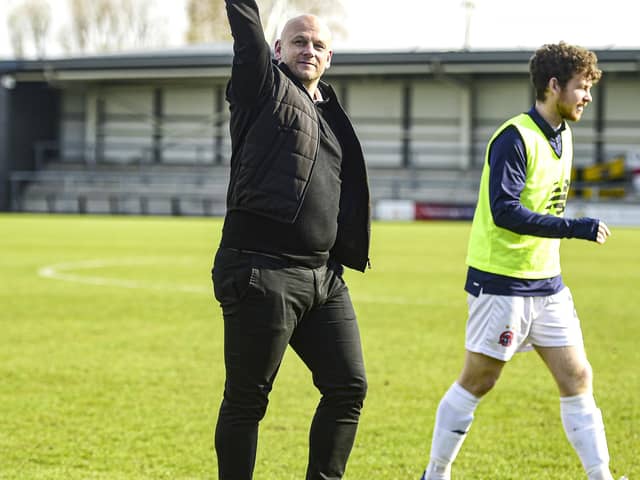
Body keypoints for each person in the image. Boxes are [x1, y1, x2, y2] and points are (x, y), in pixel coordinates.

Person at [418, 42, 625, 480]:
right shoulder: (515, 137)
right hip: (501, 283)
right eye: (581, 87)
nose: (587, 96)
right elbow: (504, 211)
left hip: (548, 285)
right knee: (479, 381)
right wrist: (575, 227)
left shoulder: (563, 134)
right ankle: (435, 473)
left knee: (578, 377)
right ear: (554, 86)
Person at [211, 1, 371, 479]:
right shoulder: (262, 86)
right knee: (248, 400)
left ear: (330, 57)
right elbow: (245, 30)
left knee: (348, 386)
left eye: (319, 44)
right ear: (277, 49)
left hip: (324, 279)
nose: (309, 49)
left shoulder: (329, 110)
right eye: (299, 41)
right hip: (263, 271)